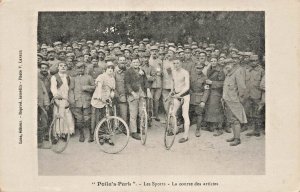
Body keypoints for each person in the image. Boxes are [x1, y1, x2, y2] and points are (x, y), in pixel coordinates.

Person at [222, 59, 247, 146]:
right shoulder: (228, 74)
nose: (227, 65)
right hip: (228, 100)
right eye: (225, 64)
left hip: (235, 101)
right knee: (231, 120)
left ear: (233, 64)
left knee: (236, 120)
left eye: (229, 63)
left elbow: (242, 88)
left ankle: (237, 139)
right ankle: (234, 136)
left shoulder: (237, 73)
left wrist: (240, 99)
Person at [125, 57, 150, 140]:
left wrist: (148, 90)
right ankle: (133, 132)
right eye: (134, 62)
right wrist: (132, 93)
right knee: (133, 114)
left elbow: (146, 81)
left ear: (139, 63)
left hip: (142, 93)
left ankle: (140, 128)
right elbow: (127, 84)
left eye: (137, 62)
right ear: (131, 63)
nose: (136, 63)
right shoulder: (128, 72)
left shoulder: (142, 71)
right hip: (133, 94)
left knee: (141, 112)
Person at [69, 62, 95, 142]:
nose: (80, 70)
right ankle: (82, 134)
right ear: (76, 69)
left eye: (82, 68)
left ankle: (91, 134)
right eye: (78, 68)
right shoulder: (74, 78)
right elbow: (71, 90)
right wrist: (72, 100)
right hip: (77, 101)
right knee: (79, 119)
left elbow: (94, 87)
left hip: (87, 101)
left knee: (88, 118)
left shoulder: (89, 77)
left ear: (84, 68)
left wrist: (87, 87)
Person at [91, 62, 116, 144]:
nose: (110, 70)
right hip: (98, 100)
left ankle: (107, 136)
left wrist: (112, 93)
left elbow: (112, 88)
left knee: (107, 118)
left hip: (107, 100)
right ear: (105, 70)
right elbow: (99, 85)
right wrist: (98, 94)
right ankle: (98, 136)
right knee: (98, 119)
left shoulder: (112, 78)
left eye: (112, 69)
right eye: (108, 68)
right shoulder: (101, 76)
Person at [50, 62, 75, 141]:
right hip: (58, 98)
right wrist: (56, 95)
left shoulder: (68, 77)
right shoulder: (54, 77)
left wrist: (68, 98)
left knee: (66, 115)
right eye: (61, 66)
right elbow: (53, 88)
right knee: (58, 115)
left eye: (64, 66)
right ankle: (57, 134)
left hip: (66, 98)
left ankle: (64, 133)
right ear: (58, 67)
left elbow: (69, 89)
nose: (63, 67)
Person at [204, 57, 226, 136]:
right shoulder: (208, 69)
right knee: (210, 109)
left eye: (215, 61)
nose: (213, 62)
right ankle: (212, 126)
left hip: (216, 92)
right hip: (209, 91)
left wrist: (212, 82)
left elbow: (222, 83)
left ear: (217, 62)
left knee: (217, 109)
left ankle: (220, 128)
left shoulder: (220, 70)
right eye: (211, 61)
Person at [169, 59, 190, 143]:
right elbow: (173, 82)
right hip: (177, 95)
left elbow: (187, 87)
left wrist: (180, 94)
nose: (176, 64)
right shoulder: (173, 72)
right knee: (172, 113)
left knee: (185, 115)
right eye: (174, 63)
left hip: (185, 96)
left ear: (180, 63)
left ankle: (185, 136)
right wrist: (172, 90)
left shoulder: (185, 72)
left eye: (177, 63)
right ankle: (175, 130)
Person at [245, 55, 265, 137]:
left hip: (257, 95)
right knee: (249, 112)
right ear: (249, 61)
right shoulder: (246, 70)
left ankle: (257, 130)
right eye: (252, 61)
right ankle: (248, 128)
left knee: (257, 113)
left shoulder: (261, 71)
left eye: (255, 60)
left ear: (258, 61)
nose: (254, 62)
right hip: (247, 94)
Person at [189, 63, 210, 137]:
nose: (198, 69)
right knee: (189, 112)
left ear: (202, 69)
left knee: (199, 114)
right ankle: (186, 126)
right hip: (191, 97)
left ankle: (198, 129)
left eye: (200, 68)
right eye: (197, 68)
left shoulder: (205, 78)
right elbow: (188, 86)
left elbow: (207, 90)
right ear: (195, 68)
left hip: (199, 97)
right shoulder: (191, 76)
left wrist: (203, 101)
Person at [115, 56, 128, 124]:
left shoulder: (128, 70)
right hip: (119, 95)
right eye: (121, 60)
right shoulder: (114, 71)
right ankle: (124, 127)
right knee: (123, 113)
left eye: (123, 60)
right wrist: (117, 95)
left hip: (128, 95)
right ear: (118, 62)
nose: (122, 61)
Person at [37, 79, 50, 149]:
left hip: (40, 106)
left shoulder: (40, 82)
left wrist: (46, 103)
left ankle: (40, 143)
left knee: (42, 123)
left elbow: (44, 93)